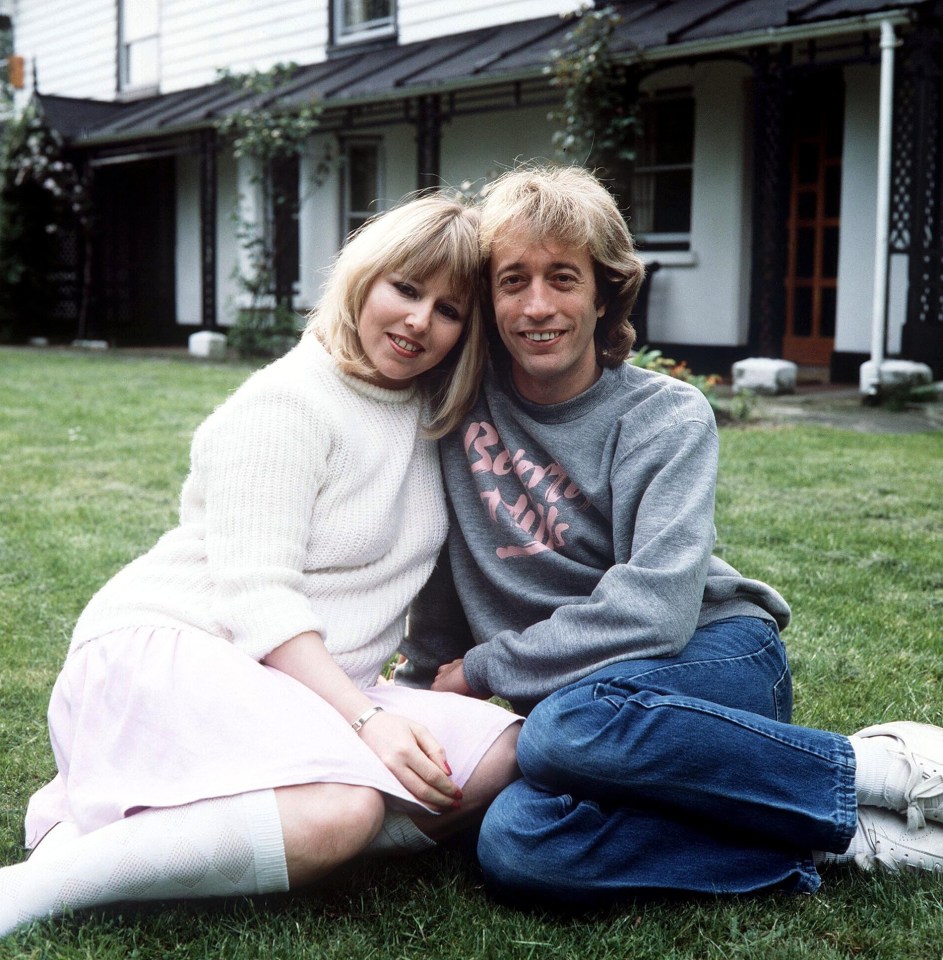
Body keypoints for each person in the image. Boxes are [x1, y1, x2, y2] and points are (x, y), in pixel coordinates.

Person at [397, 164, 943, 906]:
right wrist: (418, 695)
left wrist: (486, 669)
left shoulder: (665, 415)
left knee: (560, 733)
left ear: (603, 294)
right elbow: (439, 565)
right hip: (582, 704)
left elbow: (654, 611)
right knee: (517, 845)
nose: (536, 306)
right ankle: (842, 838)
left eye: (562, 277)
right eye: (511, 280)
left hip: (710, 655)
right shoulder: (455, 407)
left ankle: (882, 769)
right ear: (487, 299)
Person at [0, 193, 521, 937]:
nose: (418, 321)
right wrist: (368, 720)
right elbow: (257, 603)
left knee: (495, 754)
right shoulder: (288, 402)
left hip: (315, 683)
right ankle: (45, 879)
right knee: (344, 809)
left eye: (448, 311)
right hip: (179, 651)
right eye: (404, 289)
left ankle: (190, 827)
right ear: (363, 279)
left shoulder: (426, 412)